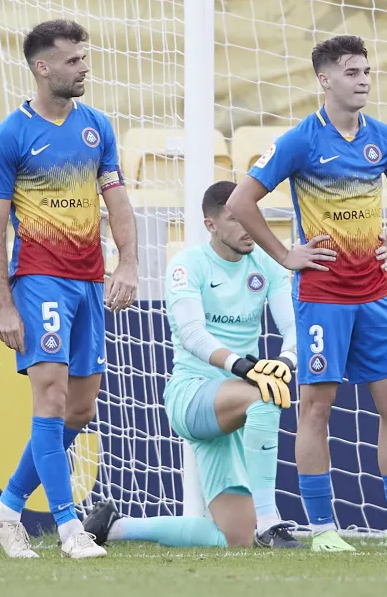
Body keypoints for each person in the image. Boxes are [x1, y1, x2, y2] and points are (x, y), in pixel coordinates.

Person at [226, 34, 387, 552]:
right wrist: (287, 256)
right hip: (323, 295)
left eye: (368, 72)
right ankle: (324, 529)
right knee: (316, 408)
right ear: (325, 79)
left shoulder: (385, 139)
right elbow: (240, 200)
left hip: (374, 294)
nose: (364, 80)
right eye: (352, 73)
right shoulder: (301, 140)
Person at [0, 19, 138, 560]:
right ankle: (70, 530)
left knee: (80, 409)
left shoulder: (97, 127)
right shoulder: (10, 135)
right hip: (39, 280)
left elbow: (115, 200)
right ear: (42, 67)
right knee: (48, 397)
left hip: (90, 282)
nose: (84, 67)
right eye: (72, 60)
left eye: (84, 58)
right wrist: (3, 303)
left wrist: (128, 264)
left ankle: (4, 511)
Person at [83, 180, 303, 550]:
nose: (248, 227)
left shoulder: (267, 263)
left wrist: (287, 359)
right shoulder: (187, 264)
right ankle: (269, 520)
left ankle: (116, 527)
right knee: (266, 395)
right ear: (211, 225)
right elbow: (192, 336)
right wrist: (245, 368)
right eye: (235, 219)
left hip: (234, 402)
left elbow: (292, 325)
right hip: (193, 395)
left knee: (235, 539)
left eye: (252, 216)